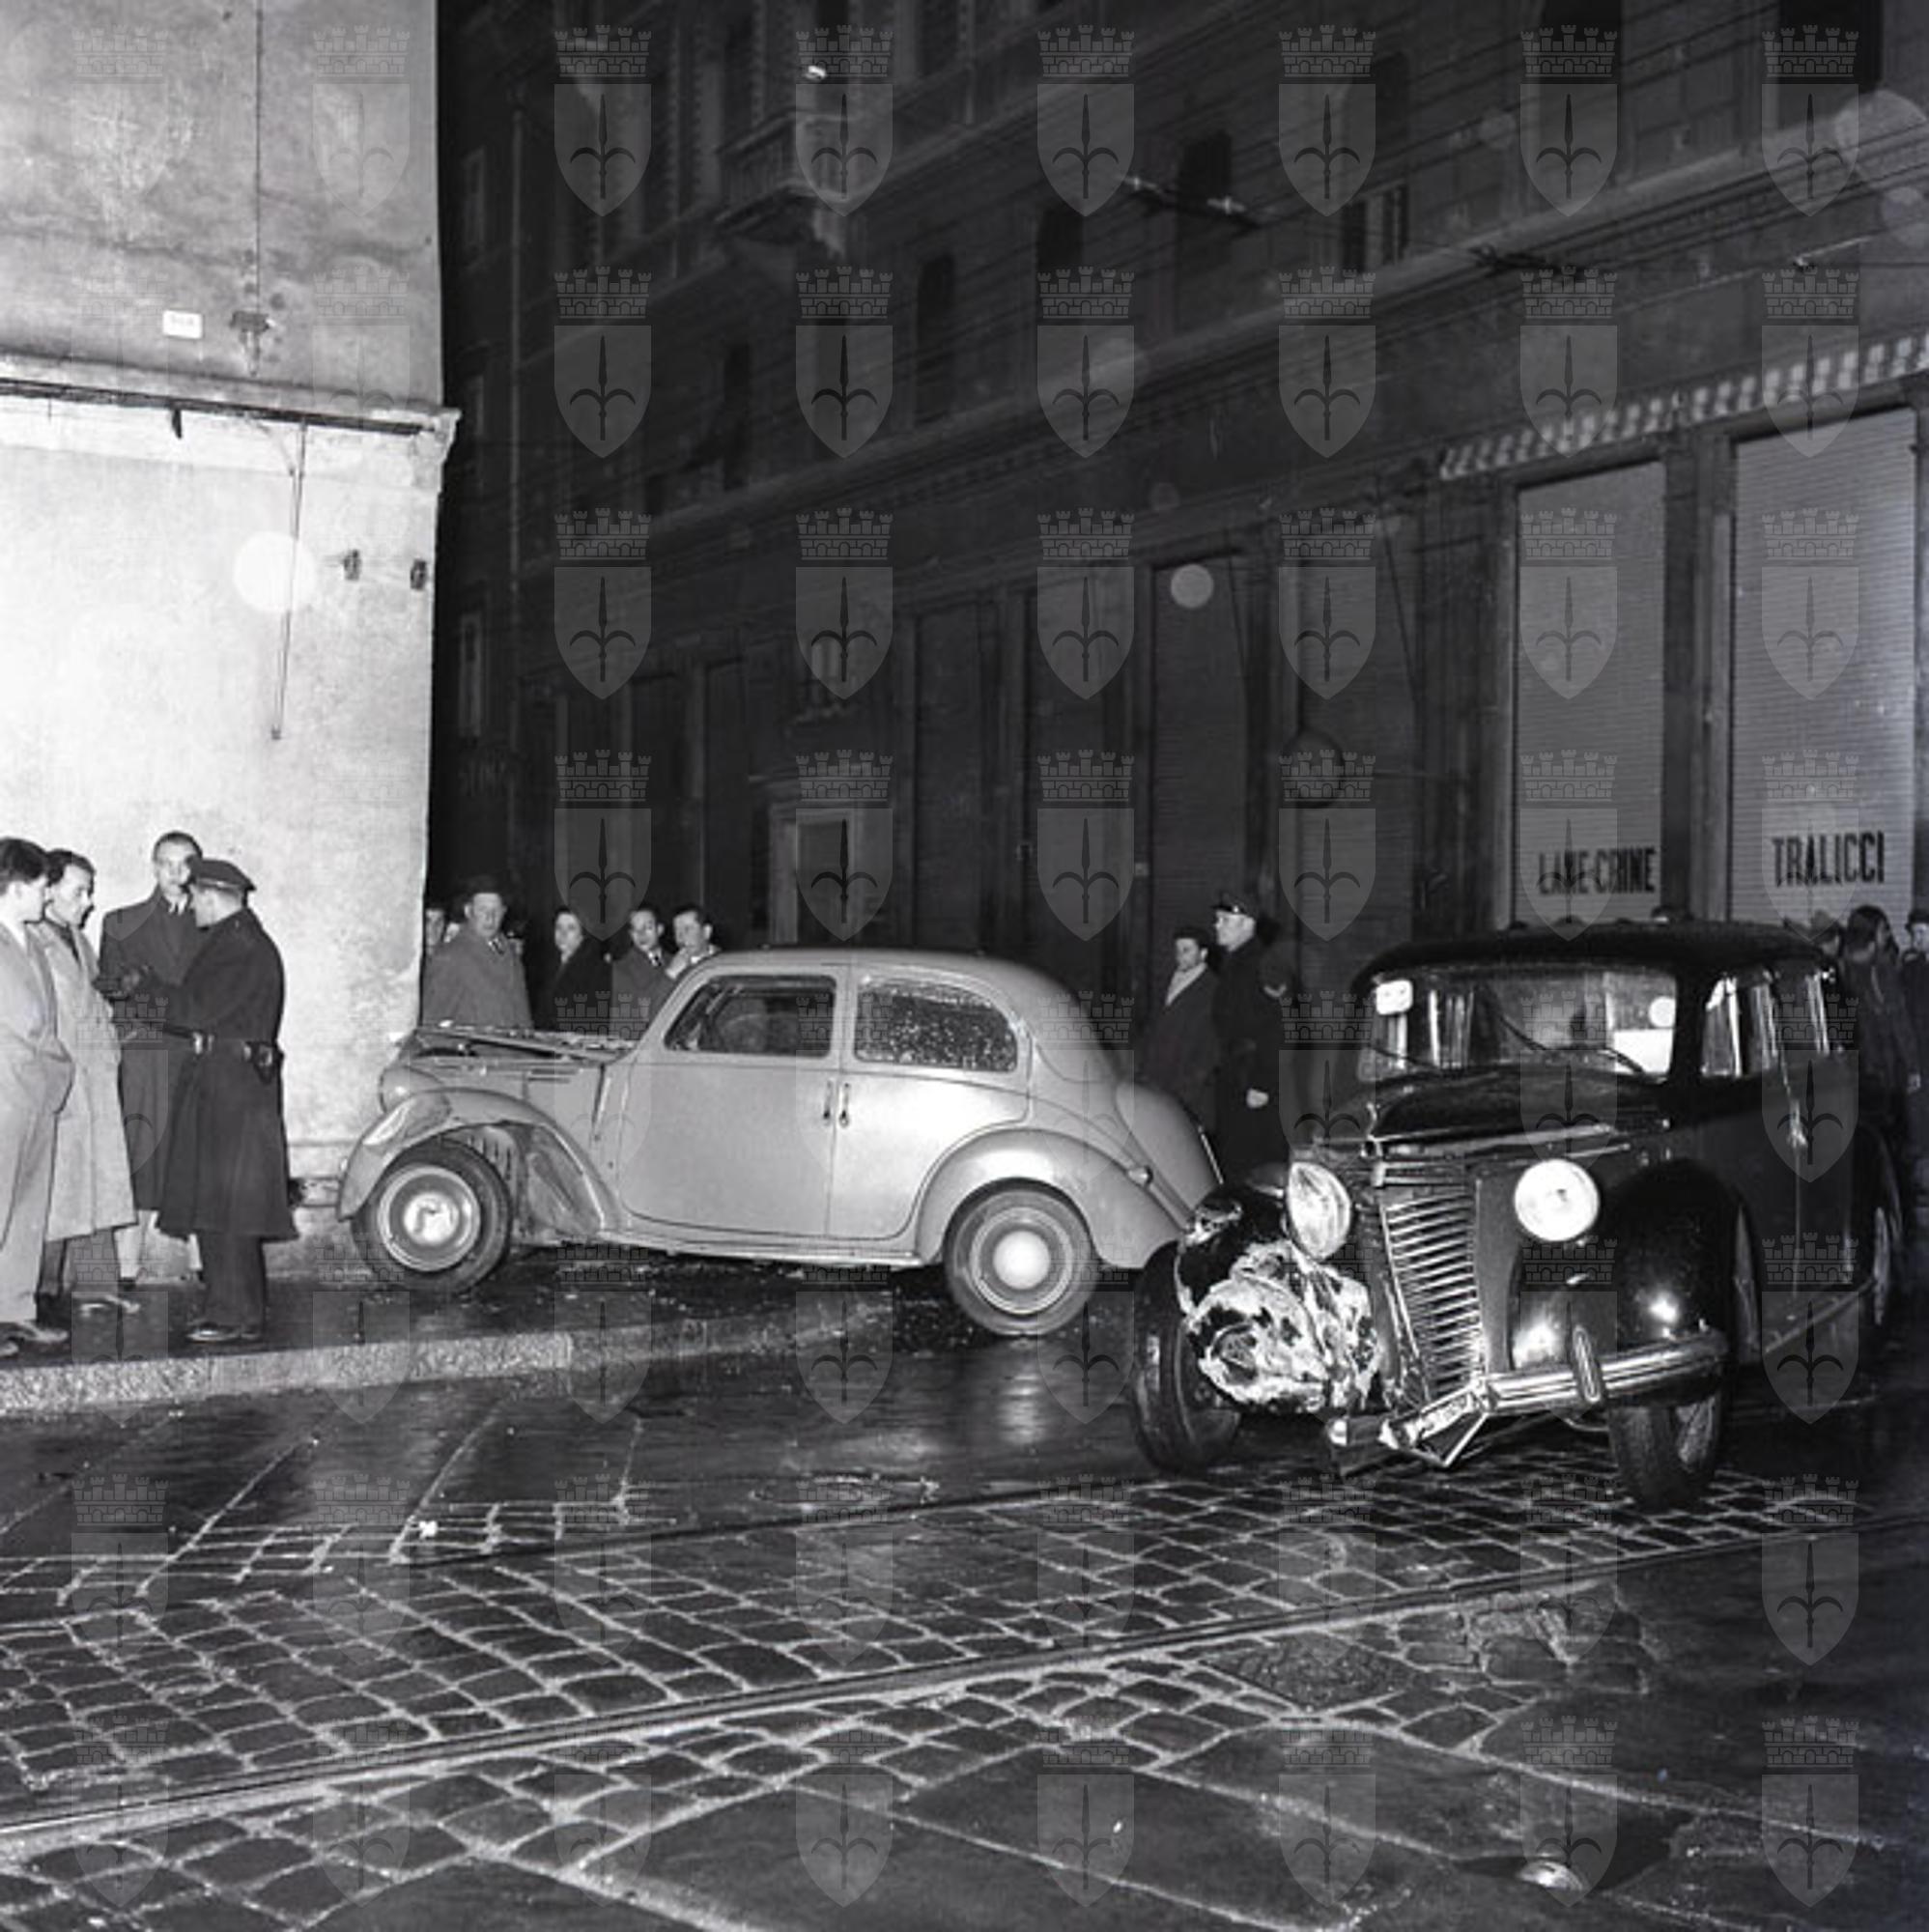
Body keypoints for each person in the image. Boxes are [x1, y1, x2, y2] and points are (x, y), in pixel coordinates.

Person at [158, 858, 297, 1345]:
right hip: (227, 1082)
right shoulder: (236, 940)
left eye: (195, 897)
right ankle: (229, 1308)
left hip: (231, 1088)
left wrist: (141, 992)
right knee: (219, 1201)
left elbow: (194, 1010)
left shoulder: (239, 946)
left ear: (213, 897)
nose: (192, 906)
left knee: (229, 1204)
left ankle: (237, 1315)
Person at [98, 829, 206, 1282]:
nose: (176, 873)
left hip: (198, 1055)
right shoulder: (121, 923)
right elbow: (113, 992)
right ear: (153, 867)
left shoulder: (215, 923)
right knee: (139, 1155)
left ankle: (202, 1261)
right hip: (145, 1056)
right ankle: (127, 1264)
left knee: (197, 1153)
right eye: (167, 863)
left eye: (185, 864)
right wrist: (178, 1018)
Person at [34, 851, 135, 1312]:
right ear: (49, 890)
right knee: (56, 1192)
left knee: (97, 1185)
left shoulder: (78, 940)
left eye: (89, 892)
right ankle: (38, 1294)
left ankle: (96, 1286)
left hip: (94, 1082)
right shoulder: (29, 941)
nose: (88, 902)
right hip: (60, 1086)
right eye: (79, 892)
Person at [0, 838, 75, 1354]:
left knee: (27, 1211)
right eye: (44, 886)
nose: (48, 896)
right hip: (7, 1091)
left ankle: (14, 1311)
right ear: (17, 888)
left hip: (36, 1093)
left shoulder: (31, 941)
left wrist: (55, 1072)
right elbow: (22, 1025)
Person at [1840, 903, 1924, 1197]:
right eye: (1885, 930)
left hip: (1852, 1073)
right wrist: (1912, 1067)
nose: (1888, 937)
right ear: (1874, 935)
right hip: (1883, 1074)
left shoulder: (1841, 969)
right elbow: (1898, 1022)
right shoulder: (1880, 970)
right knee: (1892, 1148)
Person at [1209, 890, 1290, 1179]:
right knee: (1235, 1157)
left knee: (1255, 1162)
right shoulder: (1235, 962)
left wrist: (1261, 1083)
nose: (1217, 925)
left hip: (1253, 1080)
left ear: (1247, 923)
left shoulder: (1264, 964)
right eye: (1217, 919)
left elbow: (1276, 1027)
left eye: (1224, 919)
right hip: (1237, 1075)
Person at [419, 876, 533, 1031]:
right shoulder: (450, 957)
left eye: (496, 911)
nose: (490, 918)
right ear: (468, 911)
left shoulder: (510, 954)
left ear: (504, 912)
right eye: (482, 910)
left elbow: (524, 1018)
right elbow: (431, 1025)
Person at [1139, 924, 1218, 1129]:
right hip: (1157, 1081)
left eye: (1187, 950)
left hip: (1187, 1091)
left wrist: (1186, 1090)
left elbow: (1210, 1048)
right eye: (1177, 950)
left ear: (1203, 953)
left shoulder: (1213, 989)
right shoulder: (1168, 981)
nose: (1180, 956)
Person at [538, 907, 610, 1032]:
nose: (563, 934)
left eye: (571, 928)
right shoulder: (551, 964)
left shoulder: (596, 970)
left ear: (583, 935)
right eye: (559, 928)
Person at [610, 902, 670, 1036]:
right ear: (630, 934)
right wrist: (669, 975)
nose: (641, 934)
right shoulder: (620, 969)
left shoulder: (673, 961)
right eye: (635, 929)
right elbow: (644, 1008)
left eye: (647, 927)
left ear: (660, 929)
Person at [665, 903, 720, 980]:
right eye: (676, 931)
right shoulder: (666, 965)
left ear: (706, 932)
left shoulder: (724, 963)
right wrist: (671, 974)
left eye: (687, 929)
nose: (680, 937)